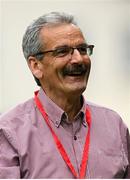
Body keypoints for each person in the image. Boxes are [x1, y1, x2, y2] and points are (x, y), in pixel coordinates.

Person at [0, 12, 129, 179]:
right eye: (62, 51)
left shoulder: (114, 126)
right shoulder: (10, 133)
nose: (78, 59)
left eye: (82, 49)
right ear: (36, 65)